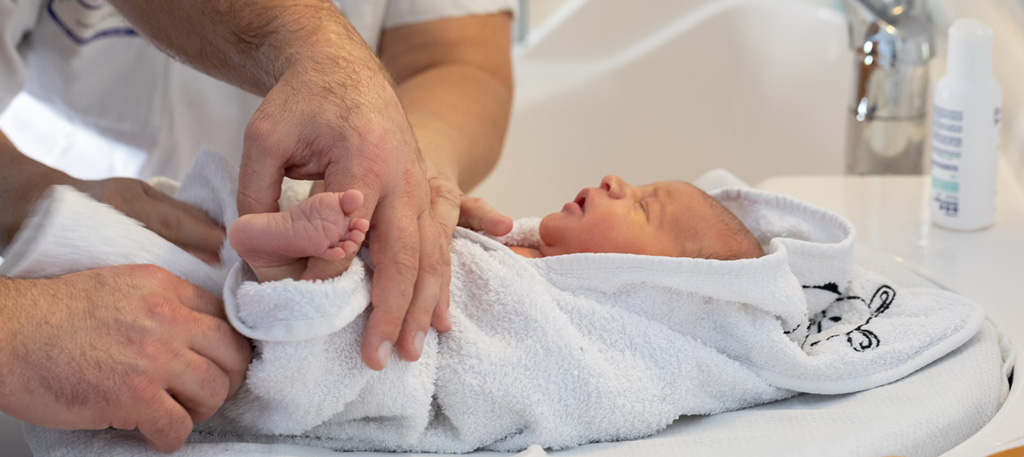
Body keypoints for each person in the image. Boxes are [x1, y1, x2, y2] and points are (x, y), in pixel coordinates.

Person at [0, 0, 515, 452]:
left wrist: (415, 163)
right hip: (125, 227)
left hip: (205, 230)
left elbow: (455, 60)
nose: (601, 182)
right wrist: (20, 198)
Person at [230, 174, 765, 282]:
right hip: (381, 263)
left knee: (323, 287)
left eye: (645, 208)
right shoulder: (522, 247)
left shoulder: (572, 305)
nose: (616, 180)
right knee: (347, 248)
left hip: (374, 307)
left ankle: (276, 258)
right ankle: (286, 248)